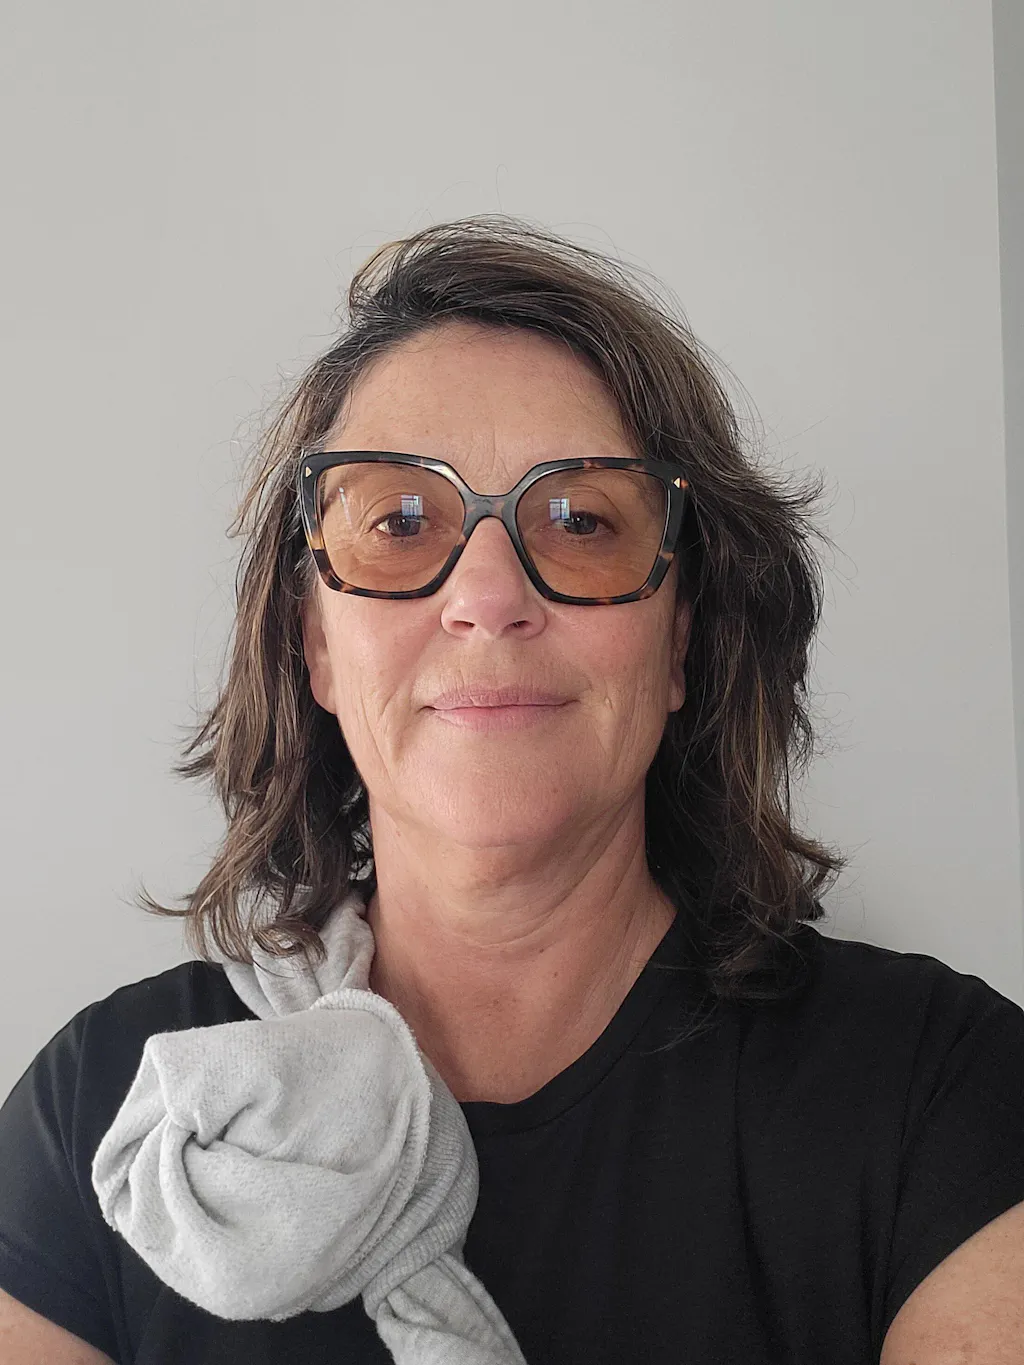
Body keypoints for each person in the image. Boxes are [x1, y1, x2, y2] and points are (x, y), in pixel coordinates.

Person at [1, 216, 1022, 1365]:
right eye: (398, 522)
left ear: (680, 644)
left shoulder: (941, 1091)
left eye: (580, 521)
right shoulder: (102, 1111)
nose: (487, 596)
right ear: (316, 646)